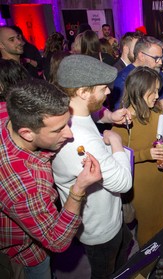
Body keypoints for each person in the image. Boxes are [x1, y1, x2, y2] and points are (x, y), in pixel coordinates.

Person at [0, 79, 102, 278]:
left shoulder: (7, 110)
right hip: (27, 253)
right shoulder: (26, 185)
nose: (70, 134)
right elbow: (57, 240)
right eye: (58, 129)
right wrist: (79, 188)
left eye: (68, 123)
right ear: (27, 133)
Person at [52, 55, 133, 278]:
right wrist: (116, 142)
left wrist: (108, 116)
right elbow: (124, 183)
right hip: (99, 227)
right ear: (82, 91)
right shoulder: (80, 138)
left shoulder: (69, 112)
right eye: (103, 88)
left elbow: (91, 114)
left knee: (126, 243)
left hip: (106, 214)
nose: (109, 91)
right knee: (104, 271)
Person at [112, 67, 163, 247]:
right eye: (153, 91)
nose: (157, 96)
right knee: (148, 228)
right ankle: (146, 270)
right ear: (139, 90)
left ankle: (162, 262)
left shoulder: (154, 112)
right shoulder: (122, 122)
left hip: (160, 178)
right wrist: (147, 154)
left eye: (157, 91)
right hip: (140, 185)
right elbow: (117, 159)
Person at [111, 36, 163, 111]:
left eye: (161, 58)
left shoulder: (158, 73)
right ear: (141, 56)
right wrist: (158, 106)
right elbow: (122, 112)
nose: (160, 62)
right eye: (156, 58)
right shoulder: (124, 78)